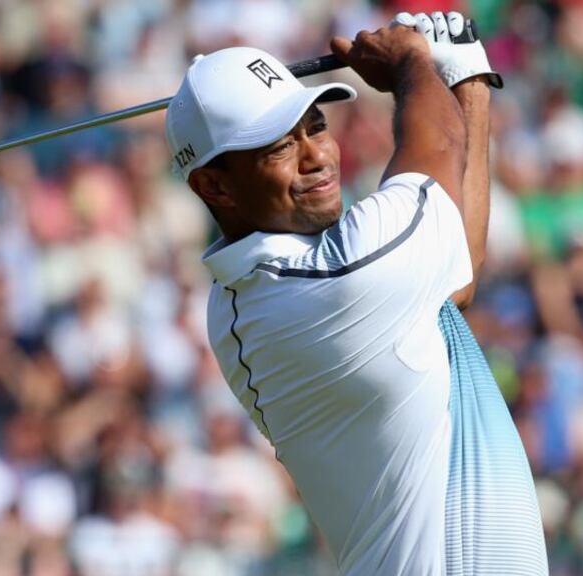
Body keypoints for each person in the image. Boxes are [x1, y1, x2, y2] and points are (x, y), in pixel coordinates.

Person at [164, 11, 546, 575]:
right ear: (214, 185)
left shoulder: (253, 297)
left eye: (315, 126)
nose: (316, 156)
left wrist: (467, 83)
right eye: (276, 147)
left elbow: (454, 273)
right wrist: (413, 62)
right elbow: (437, 142)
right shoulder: (337, 279)